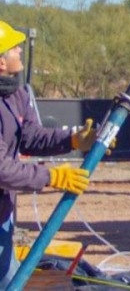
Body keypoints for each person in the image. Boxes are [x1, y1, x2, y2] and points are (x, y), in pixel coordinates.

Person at [0, 20, 96, 287]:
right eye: (14, 48)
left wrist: (74, 140)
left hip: (2, 216)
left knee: (10, 282)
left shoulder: (16, 93)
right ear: (1, 63)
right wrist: (50, 176)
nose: (20, 51)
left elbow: (30, 136)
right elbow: (2, 169)